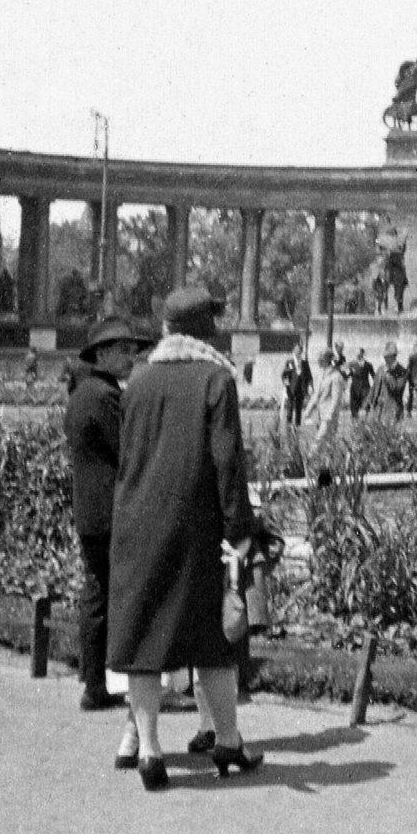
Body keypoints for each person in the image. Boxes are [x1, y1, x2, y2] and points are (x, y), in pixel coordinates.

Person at [107, 287, 262, 790]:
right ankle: (227, 739)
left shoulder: (139, 380)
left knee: (143, 637)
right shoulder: (216, 378)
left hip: (136, 521)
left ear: (169, 329)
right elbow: (227, 463)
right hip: (195, 526)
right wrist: (240, 529)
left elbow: (127, 458)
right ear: (205, 331)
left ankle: (150, 750)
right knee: (212, 641)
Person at [63, 316, 150, 712]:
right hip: (113, 514)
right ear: (101, 354)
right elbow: (128, 452)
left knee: (96, 597)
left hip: (90, 513)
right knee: (124, 598)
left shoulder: (83, 393)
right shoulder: (104, 396)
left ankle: (94, 683)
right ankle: (131, 685)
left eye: (133, 349)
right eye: (123, 350)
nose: (131, 356)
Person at [305, 347, 346, 448]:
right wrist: (308, 410)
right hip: (321, 415)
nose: (318, 361)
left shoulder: (336, 376)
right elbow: (316, 395)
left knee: (318, 443)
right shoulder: (320, 376)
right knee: (327, 445)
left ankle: (309, 461)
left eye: (321, 359)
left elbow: (336, 399)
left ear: (326, 360)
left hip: (329, 417)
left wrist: (330, 415)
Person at [371, 342, 411, 422]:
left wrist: (388, 375)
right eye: (384, 357)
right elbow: (374, 387)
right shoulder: (380, 369)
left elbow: (396, 389)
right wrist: (368, 404)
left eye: (387, 357)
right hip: (378, 411)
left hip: (393, 412)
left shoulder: (403, 372)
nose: (385, 359)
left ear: (393, 357)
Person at [280, 342, 311, 428]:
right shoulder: (290, 362)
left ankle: (297, 425)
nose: (298, 352)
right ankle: (288, 424)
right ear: (293, 350)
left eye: (300, 350)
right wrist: (286, 383)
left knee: (299, 407)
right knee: (290, 406)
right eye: (296, 350)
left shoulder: (304, 363)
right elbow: (284, 374)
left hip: (301, 388)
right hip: (291, 388)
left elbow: (308, 375)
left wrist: (309, 386)